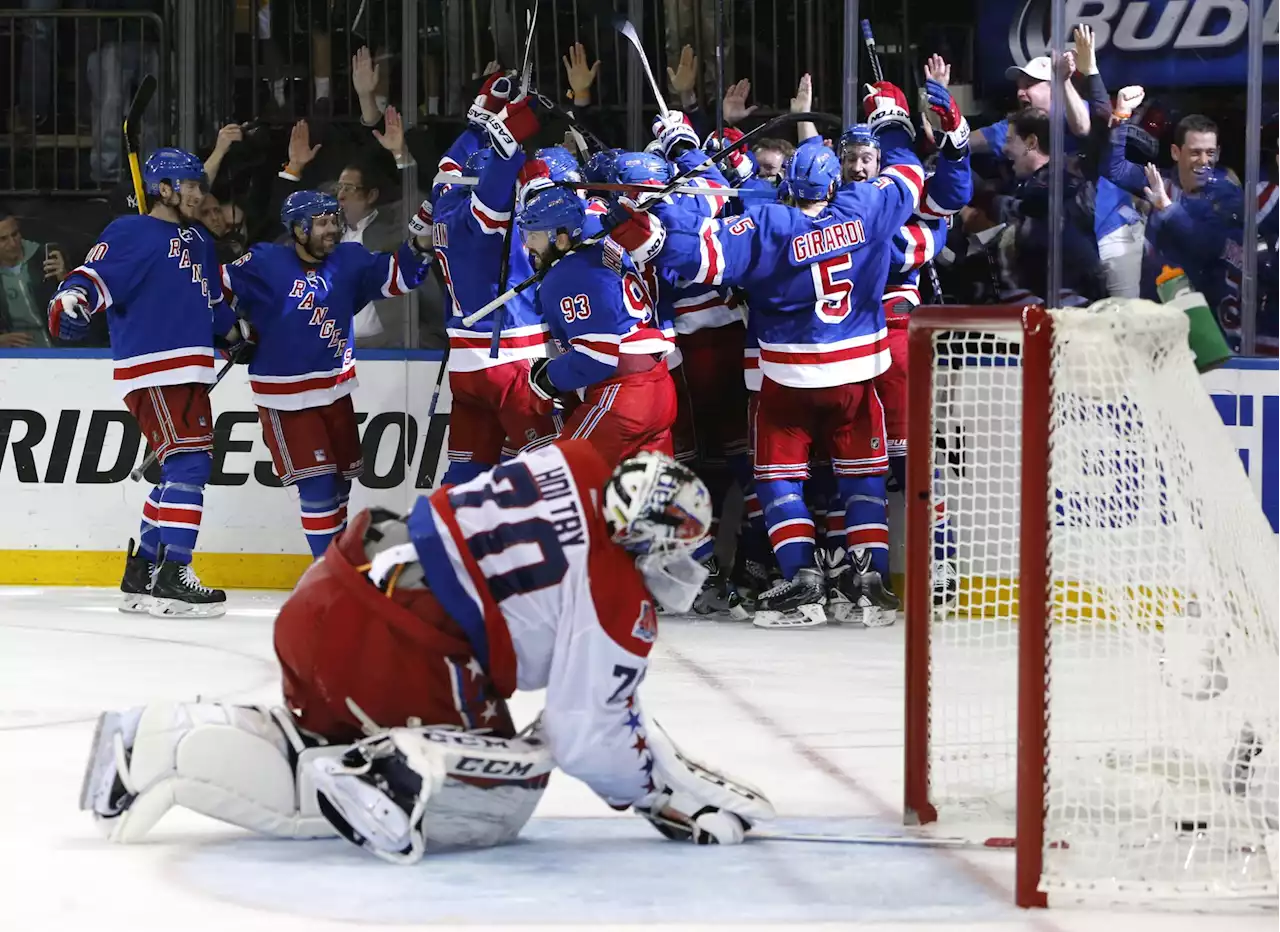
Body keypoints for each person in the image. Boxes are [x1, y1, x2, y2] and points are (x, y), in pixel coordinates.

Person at [78, 442, 774, 861]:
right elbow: (584, 737)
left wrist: (655, 756)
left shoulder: (574, 458)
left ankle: (157, 741)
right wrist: (661, 797)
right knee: (515, 775)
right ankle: (399, 771)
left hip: (334, 588)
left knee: (309, 747)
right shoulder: (618, 599)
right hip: (406, 649)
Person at [608, 80, 926, 628]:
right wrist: (892, 123)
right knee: (862, 479)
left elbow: (687, 258)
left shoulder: (769, 225)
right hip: (856, 377)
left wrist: (664, 202)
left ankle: (801, 581)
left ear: (789, 184)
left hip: (787, 381)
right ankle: (868, 584)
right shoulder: (867, 205)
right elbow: (910, 175)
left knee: (778, 481)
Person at [48, 148, 246, 617]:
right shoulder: (131, 231)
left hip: (189, 367)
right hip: (156, 366)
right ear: (163, 190)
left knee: (181, 468)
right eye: (191, 186)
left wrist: (236, 332)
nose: (200, 194)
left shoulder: (198, 240)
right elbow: (90, 278)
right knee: (191, 465)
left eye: (201, 185)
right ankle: (174, 575)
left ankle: (143, 570)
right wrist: (72, 300)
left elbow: (212, 301)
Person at [218, 190, 434, 558]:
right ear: (299, 229)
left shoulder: (349, 260)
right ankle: (329, 572)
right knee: (317, 487)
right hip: (285, 398)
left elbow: (400, 275)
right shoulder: (265, 261)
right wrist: (230, 329)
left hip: (336, 390)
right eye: (322, 223)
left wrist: (423, 243)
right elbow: (210, 289)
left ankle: (340, 564)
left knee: (339, 487)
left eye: (334, 220)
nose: (332, 229)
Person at [432, 89, 560, 487]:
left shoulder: (444, 199)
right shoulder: (480, 220)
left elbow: (450, 163)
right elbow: (505, 162)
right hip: (512, 362)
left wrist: (483, 112)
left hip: (467, 368)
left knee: (465, 479)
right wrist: (523, 116)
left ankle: (440, 546)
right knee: (555, 472)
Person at [520, 167, 678, 465]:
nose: (528, 245)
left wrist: (551, 376)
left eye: (536, 235)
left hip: (625, 397)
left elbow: (598, 358)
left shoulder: (567, 275)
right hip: (659, 386)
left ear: (562, 238)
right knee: (645, 498)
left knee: (554, 476)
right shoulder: (601, 245)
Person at [0, 204, 67, 348]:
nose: (12, 244)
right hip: (16, 358)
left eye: (15, 234)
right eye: (3, 239)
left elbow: (85, 309)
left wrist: (65, 279)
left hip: (63, 350)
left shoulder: (45, 257)